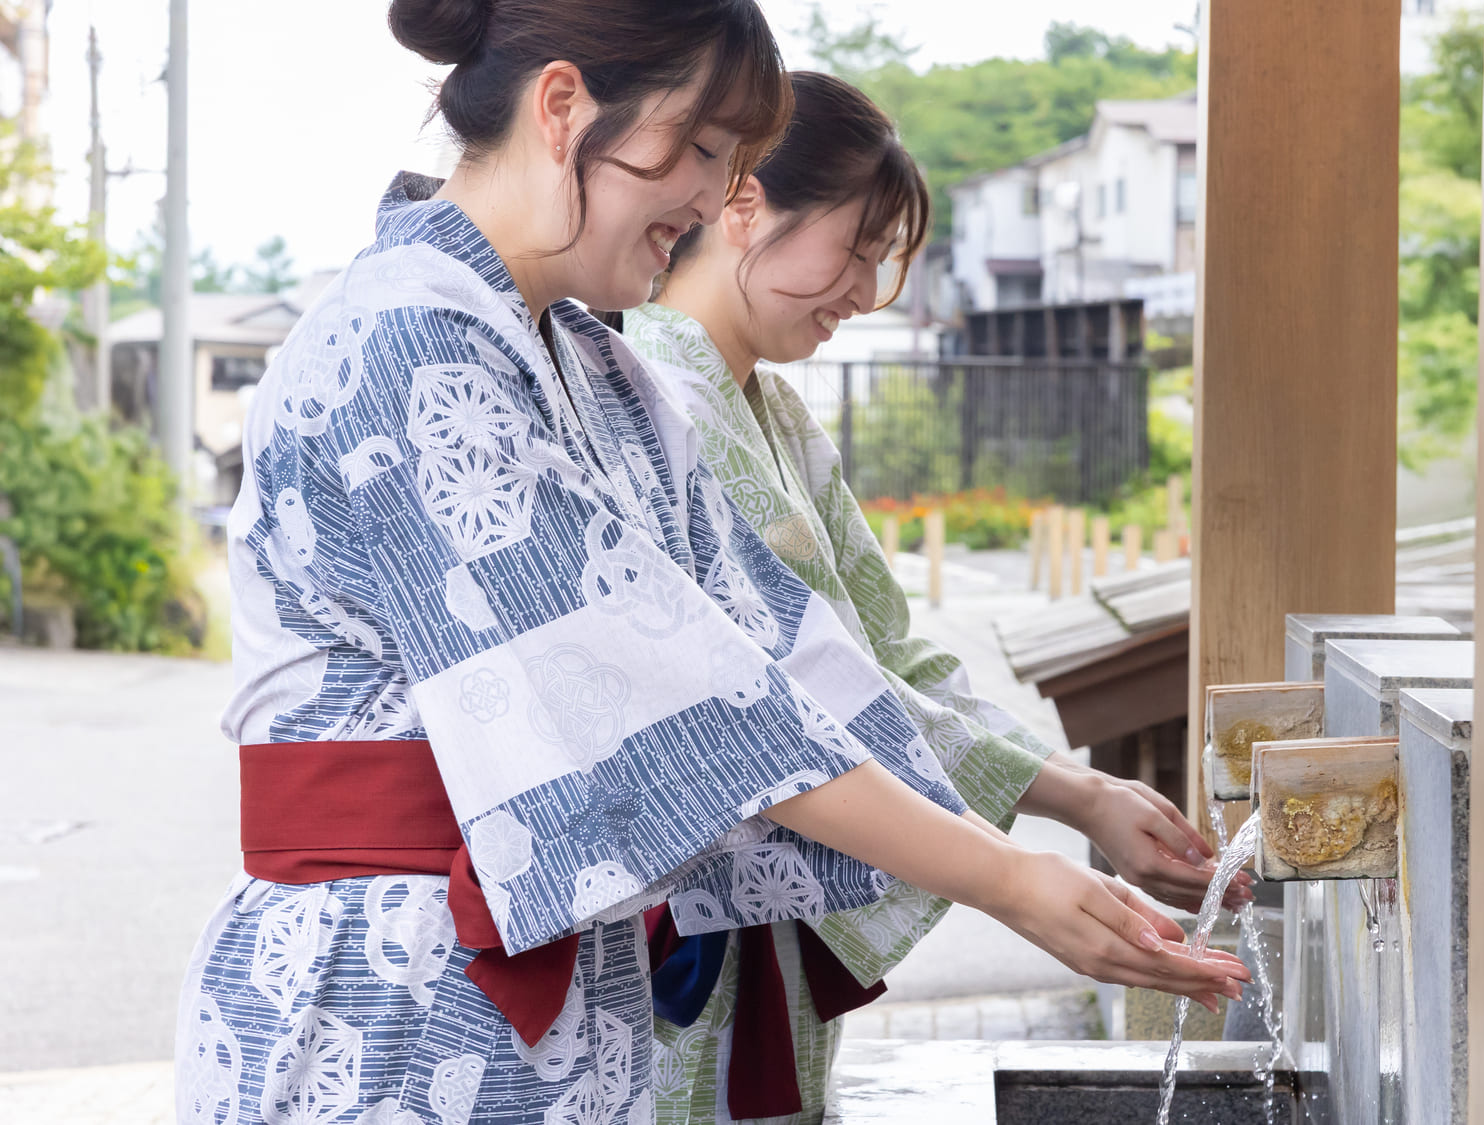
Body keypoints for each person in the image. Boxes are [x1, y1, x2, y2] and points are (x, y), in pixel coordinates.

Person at [177, 4, 1246, 1122]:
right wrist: (1004, 874)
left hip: (564, 978)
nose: (708, 198)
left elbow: (789, 662)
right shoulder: (403, 343)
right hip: (383, 985)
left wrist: (1028, 855)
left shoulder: (599, 367)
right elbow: (678, 700)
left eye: (733, 162)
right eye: (698, 151)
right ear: (562, 109)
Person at [623, 71, 1254, 1124]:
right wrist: (1034, 842)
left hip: (760, 927)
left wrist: (1073, 795)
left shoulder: (769, 408)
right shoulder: (653, 395)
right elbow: (790, 701)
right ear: (742, 206)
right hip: (678, 925)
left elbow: (885, 664)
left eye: (881, 260)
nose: (867, 292)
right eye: (857, 248)